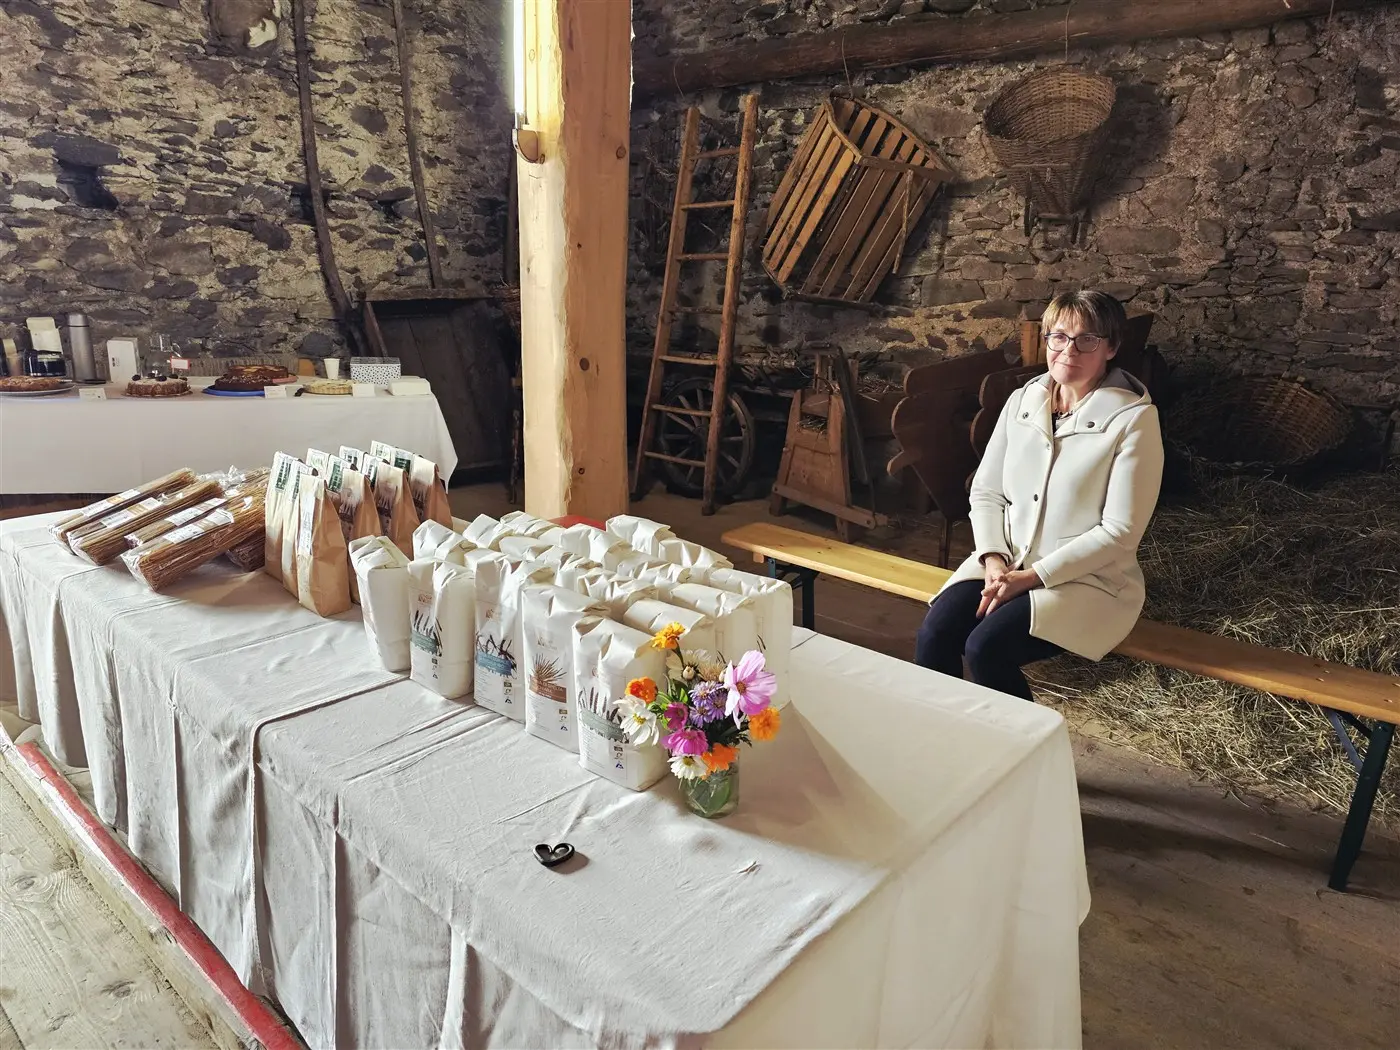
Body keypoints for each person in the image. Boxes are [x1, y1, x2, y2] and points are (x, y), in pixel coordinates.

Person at [914, 290, 1164, 700]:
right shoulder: (1024, 400)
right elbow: (987, 490)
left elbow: (1120, 531)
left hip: (1086, 580)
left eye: (1087, 339)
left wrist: (1030, 578)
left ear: (1112, 348)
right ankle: (938, 736)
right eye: (1059, 336)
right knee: (936, 631)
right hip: (1008, 561)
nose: (1069, 350)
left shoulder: (1133, 419)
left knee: (986, 647)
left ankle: (1023, 752)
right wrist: (993, 559)